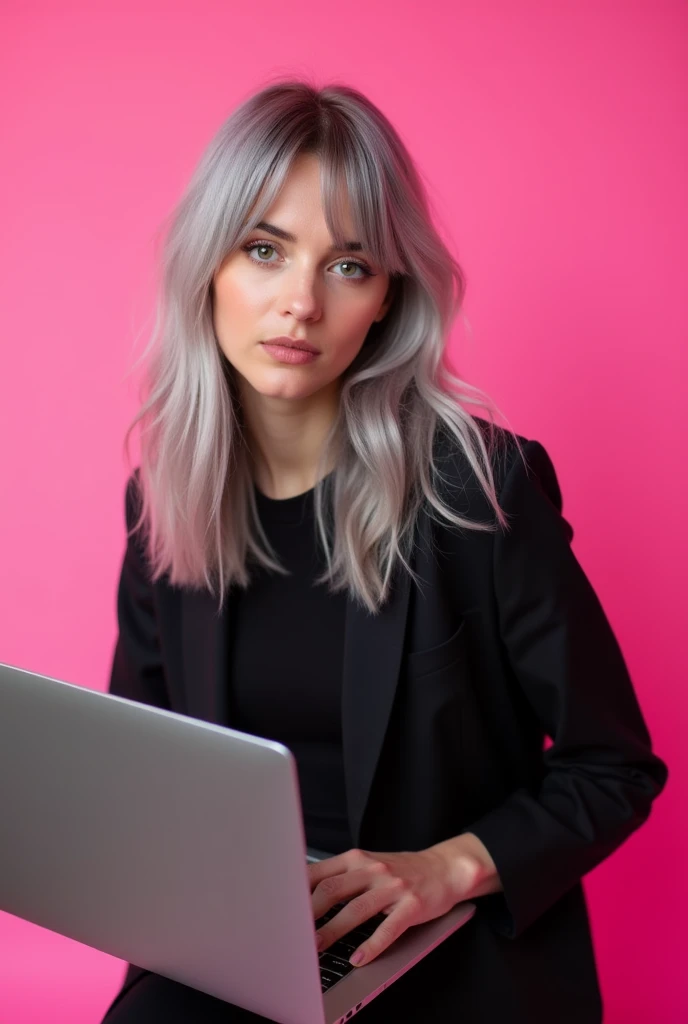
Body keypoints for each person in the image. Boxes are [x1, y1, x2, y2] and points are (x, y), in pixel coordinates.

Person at [100, 78, 668, 1024]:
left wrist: (443, 870)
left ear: (386, 299)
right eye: (265, 250)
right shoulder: (164, 501)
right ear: (209, 267)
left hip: (452, 959)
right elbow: (141, 770)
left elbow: (614, 768)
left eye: (348, 264)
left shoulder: (479, 488)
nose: (300, 303)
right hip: (246, 953)